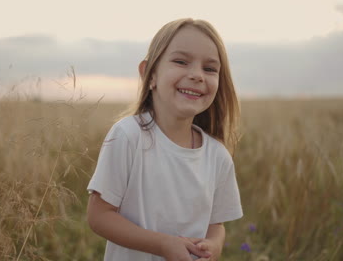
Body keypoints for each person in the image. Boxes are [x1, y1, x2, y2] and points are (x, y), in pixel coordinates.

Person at [86, 18, 243, 261]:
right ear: (149, 74)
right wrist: (162, 245)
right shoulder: (128, 136)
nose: (197, 75)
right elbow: (99, 217)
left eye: (210, 68)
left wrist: (213, 245)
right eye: (181, 62)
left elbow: (216, 225)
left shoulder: (217, 156)